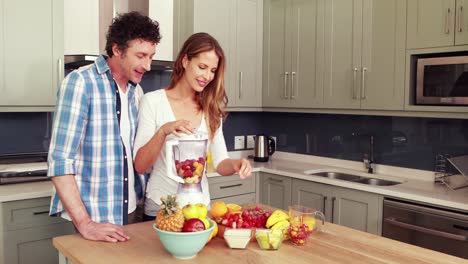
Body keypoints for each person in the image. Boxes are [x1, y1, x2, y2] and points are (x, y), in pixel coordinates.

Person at [47, 12, 161, 242]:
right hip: (95, 218)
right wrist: (86, 224)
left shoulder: (136, 92)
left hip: (131, 211)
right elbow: (59, 160)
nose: (147, 66)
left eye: (151, 56)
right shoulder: (81, 83)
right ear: (117, 49)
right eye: (140, 56)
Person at [133, 32, 252, 220]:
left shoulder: (211, 108)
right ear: (185, 61)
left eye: (213, 70)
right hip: (161, 207)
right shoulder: (152, 102)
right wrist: (163, 131)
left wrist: (237, 164)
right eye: (202, 67)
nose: (207, 76)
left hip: (199, 208)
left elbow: (221, 163)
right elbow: (140, 165)